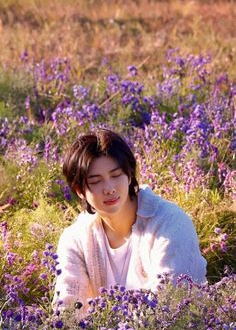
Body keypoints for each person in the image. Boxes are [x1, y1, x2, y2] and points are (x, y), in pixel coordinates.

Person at [53, 128, 207, 318]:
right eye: (95, 181)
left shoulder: (171, 223)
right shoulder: (74, 238)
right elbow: (67, 309)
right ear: (79, 190)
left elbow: (170, 302)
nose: (109, 188)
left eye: (116, 175)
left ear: (129, 175)